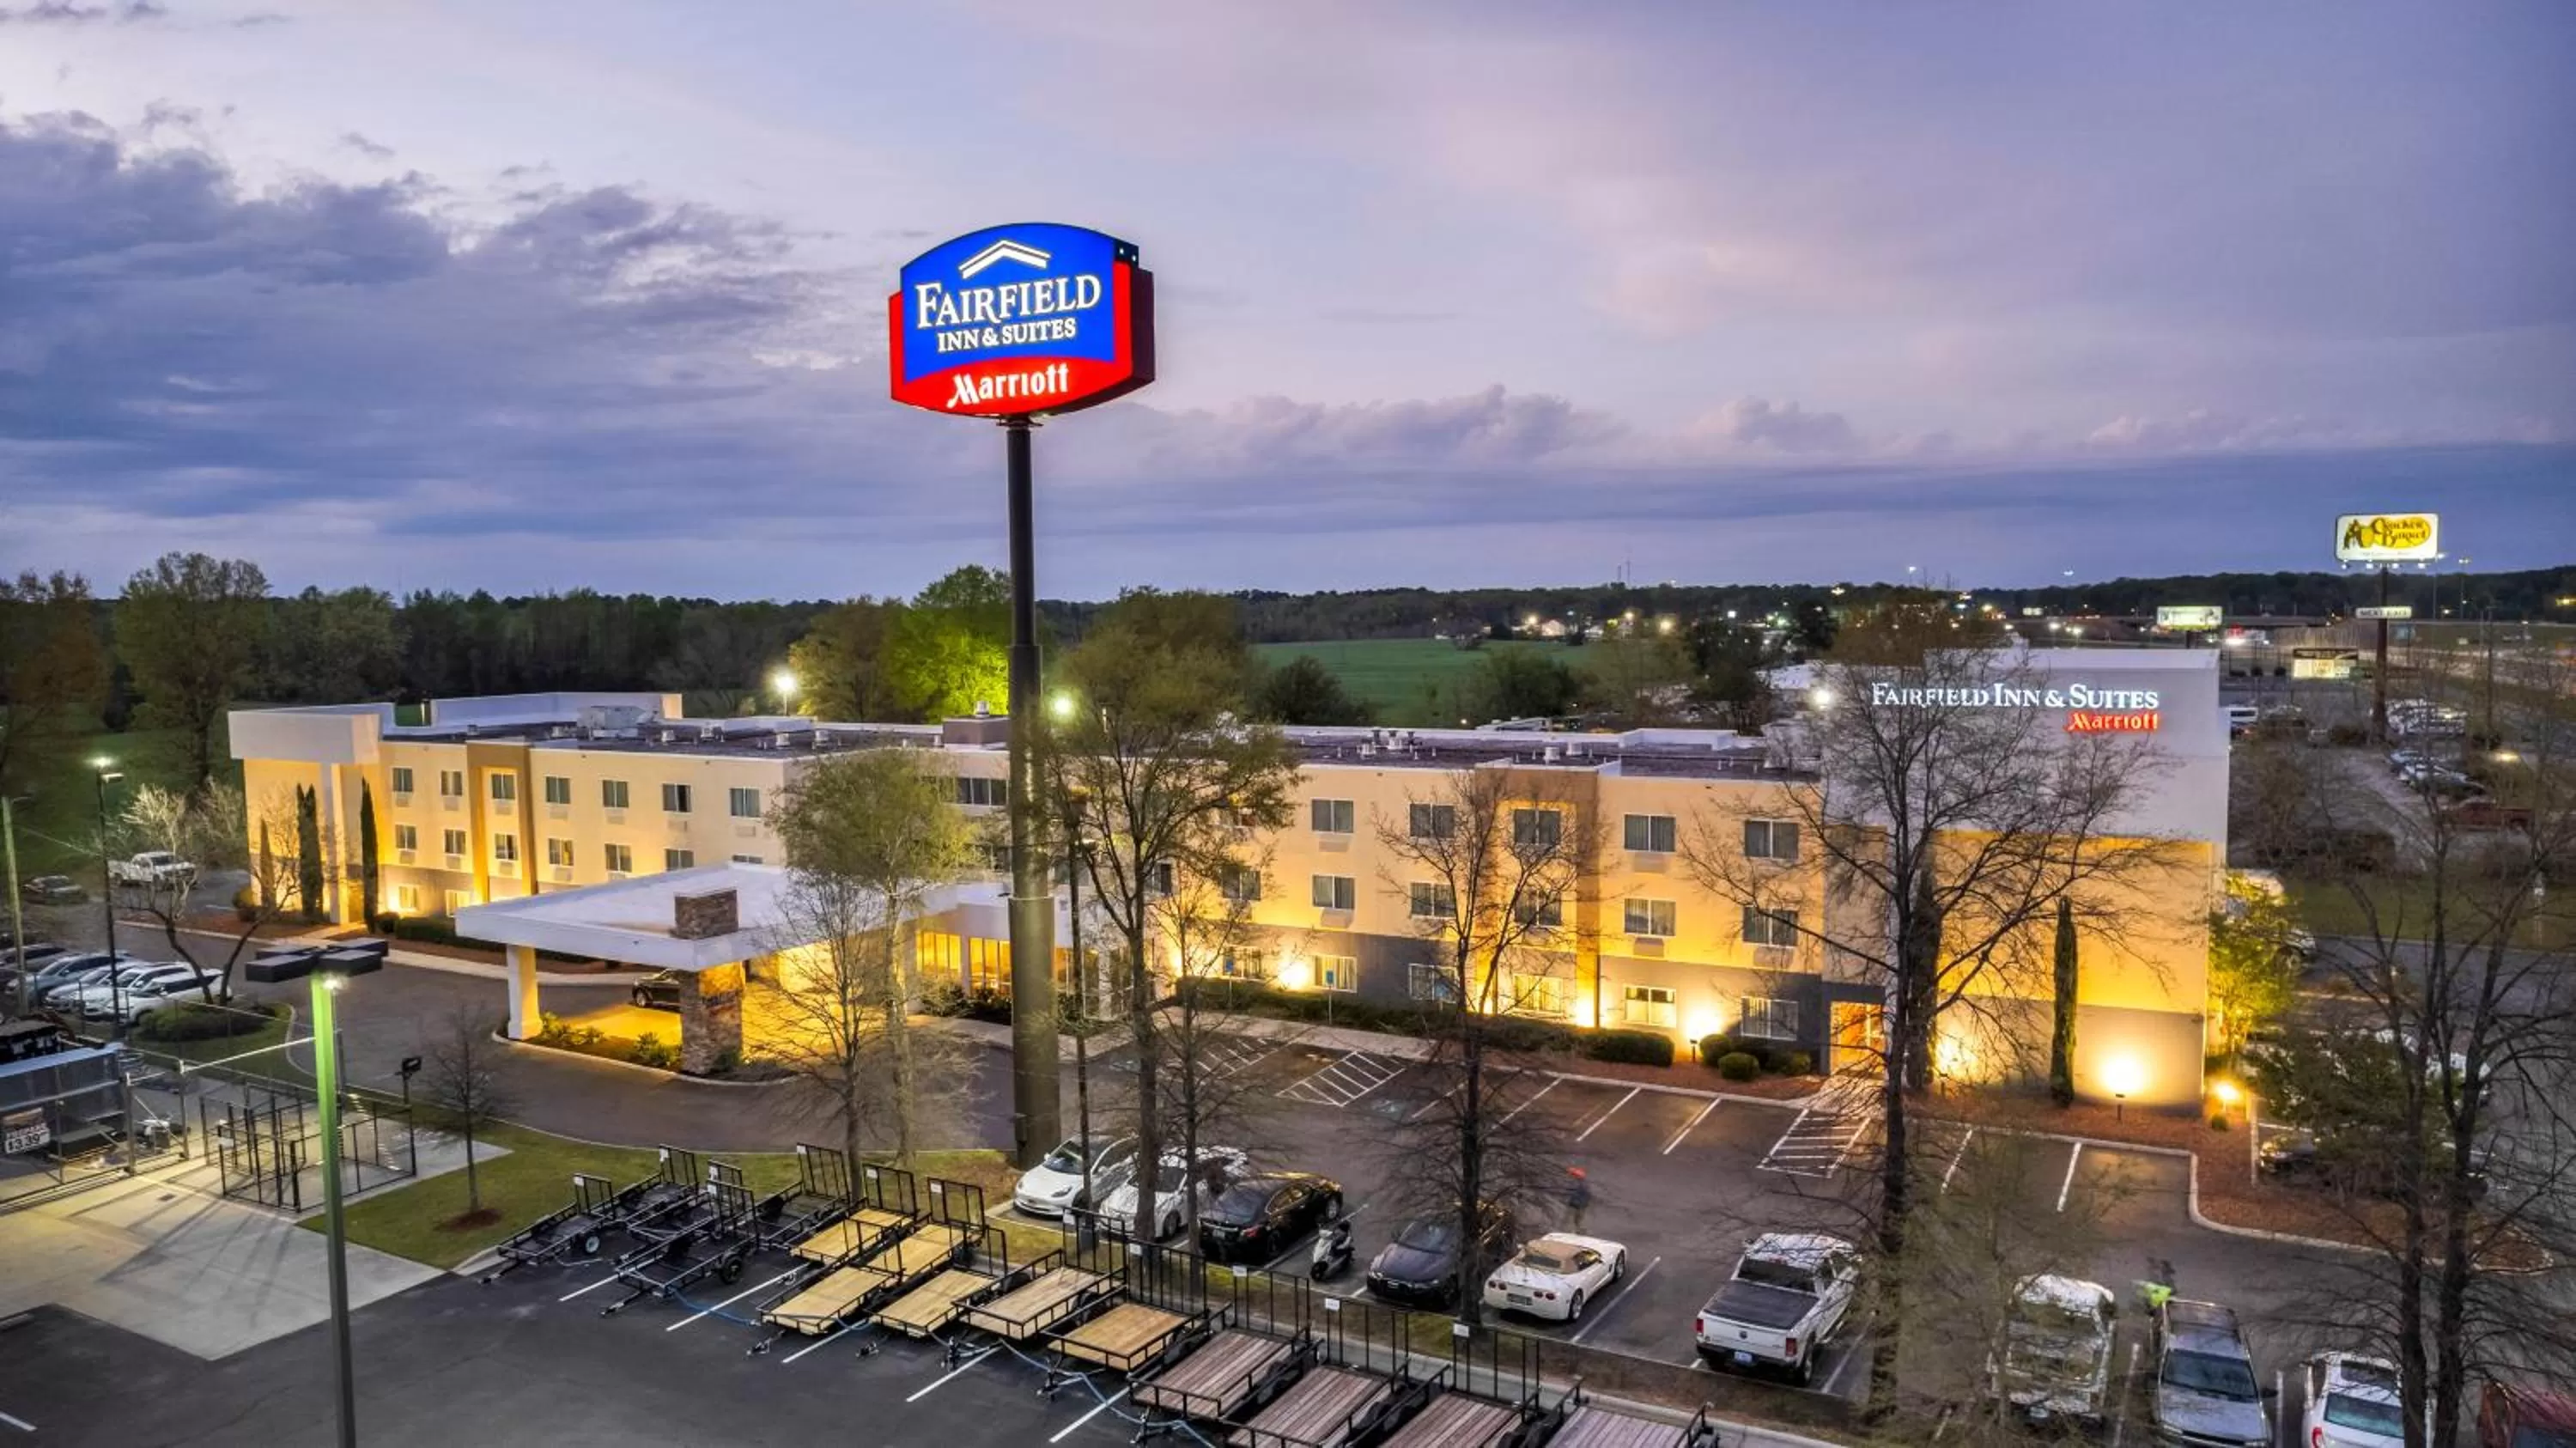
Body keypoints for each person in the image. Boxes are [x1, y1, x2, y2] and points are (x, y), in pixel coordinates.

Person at [1564, 1166, 1591, 1232]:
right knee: (1577, 1220)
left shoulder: (1578, 1183)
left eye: (1570, 1174)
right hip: (1580, 1204)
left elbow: (1575, 1192)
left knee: (1574, 1219)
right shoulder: (1582, 1183)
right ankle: (1579, 1230)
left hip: (1577, 1204)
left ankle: (1575, 1231)